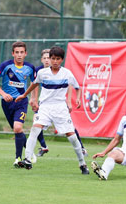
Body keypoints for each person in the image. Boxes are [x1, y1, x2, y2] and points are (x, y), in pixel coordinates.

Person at [15, 46, 90, 174]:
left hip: (60, 108)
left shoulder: (67, 73)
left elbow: (77, 87)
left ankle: (82, 164)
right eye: (53, 58)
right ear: (49, 59)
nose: (55, 61)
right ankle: (27, 159)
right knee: (35, 129)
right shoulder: (42, 73)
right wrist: (24, 95)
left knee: (71, 137)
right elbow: (35, 84)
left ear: (62, 60)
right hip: (45, 106)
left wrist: (78, 99)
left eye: (58, 59)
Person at [33, 49, 88, 157]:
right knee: (36, 125)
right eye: (45, 58)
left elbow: (70, 84)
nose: (47, 61)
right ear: (42, 60)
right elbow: (34, 85)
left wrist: (69, 101)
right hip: (44, 103)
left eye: (49, 58)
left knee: (69, 129)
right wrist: (33, 99)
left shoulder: (63, 72)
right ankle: (44, 147)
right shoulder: (39, 71)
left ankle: (81, 148)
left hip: (59, 105)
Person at [0, 41, 36, 167]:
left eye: (22, 52)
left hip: (21, 102)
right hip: (7, 103)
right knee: (17, 131)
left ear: (26, 53)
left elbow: (35, 83)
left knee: (18, 128)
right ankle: (29, 152)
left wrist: (33, 98)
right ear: (12, 53)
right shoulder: (6, 66)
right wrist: (3, 94)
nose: (19, 55)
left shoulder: (30, 68)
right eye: (17, 52)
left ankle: (18, 158)